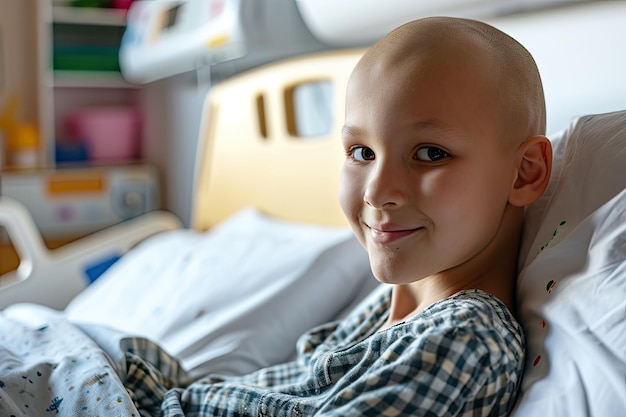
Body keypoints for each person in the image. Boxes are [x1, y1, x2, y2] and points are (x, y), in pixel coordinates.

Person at [124, 16, 552, 416]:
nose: (376, 192)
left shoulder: (465, 341)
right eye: (362, 153)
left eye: (430, 153)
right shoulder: (403, 298)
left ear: (524, 172)